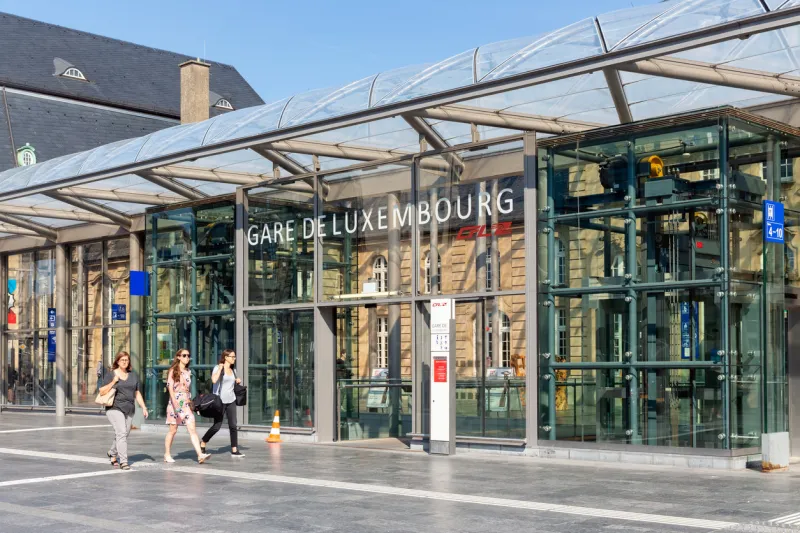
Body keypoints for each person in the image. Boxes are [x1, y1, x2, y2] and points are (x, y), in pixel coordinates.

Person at [98, 351, 148, 471]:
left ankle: (112, 453)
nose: (125, 362)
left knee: (124, 434)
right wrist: (114, 381)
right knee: (121, 433)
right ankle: (123, 461)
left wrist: (144, 407)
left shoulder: (133, 375)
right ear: (118, 361)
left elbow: (137, 393)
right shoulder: (111, 374)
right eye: (122, 360)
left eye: (126, 360)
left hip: (130, 408)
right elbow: (101, 391)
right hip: (114, 407)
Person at [164, 349, 210, 464]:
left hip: (186, 403)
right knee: (173, 430)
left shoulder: (188, 371)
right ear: (178, 357)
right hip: (175, 404)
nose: (187, 357)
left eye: (188, 355)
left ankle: (200, 455)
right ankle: (167, 454)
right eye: (184, 355)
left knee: (192, 429)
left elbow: (187, 389)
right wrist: (175, 405)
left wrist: (190, 403)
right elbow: (170, 388)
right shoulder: (173, 371)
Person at [200, 349, 244, 457]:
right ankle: (203, 442)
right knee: (217, 426)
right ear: (226, 357)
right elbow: (214, 380)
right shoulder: (218, 368)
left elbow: (231, 386)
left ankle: (234, 449)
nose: (234, 358)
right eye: (232, 357)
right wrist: (220, 369)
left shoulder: (234, 370)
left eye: (235, 357)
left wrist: (237, 381)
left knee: (233, 425)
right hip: (220, 401)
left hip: (231, 400)